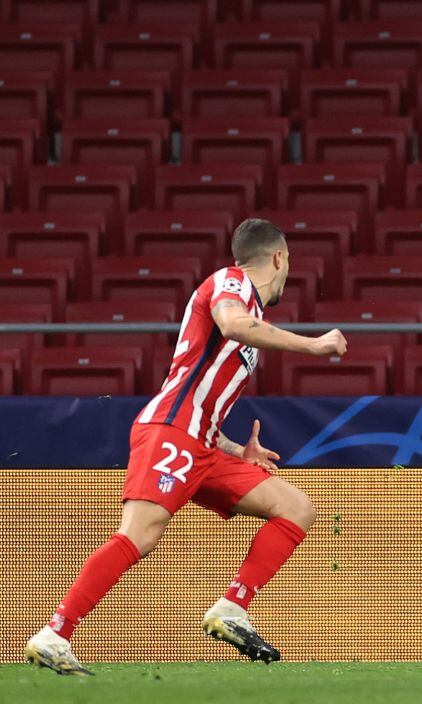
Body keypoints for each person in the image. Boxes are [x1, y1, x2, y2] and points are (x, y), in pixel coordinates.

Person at [25, 219, 348, 675]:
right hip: (169, 431)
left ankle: (233, 608)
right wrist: (314, 347)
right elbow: (234, 325)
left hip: (204, 443)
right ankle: (55, 633)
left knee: (296, 508)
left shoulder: (253, 309)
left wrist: (238, 451)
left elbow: (206, 397)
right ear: (279, 258)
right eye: (289, 262)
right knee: (140, 535)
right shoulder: (229, 283)